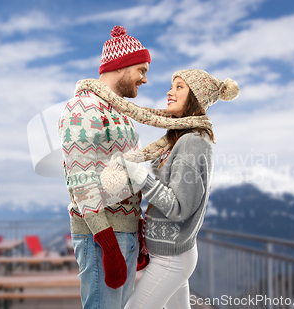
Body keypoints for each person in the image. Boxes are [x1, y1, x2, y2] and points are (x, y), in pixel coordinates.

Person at [58, 26, 214, 309]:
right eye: (141, 69)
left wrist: (137, 227)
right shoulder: (83, 108)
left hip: (126, 233)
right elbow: (81, 180)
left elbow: (122, 177)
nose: (145, 79)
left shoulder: (122, 115)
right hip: (102, 235)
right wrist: (107, 241)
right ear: (122, 66)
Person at [113, 69, 240, 309]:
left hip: (170, 260)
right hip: (169, 255)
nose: (170, 92)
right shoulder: (181, 138)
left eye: (179, 87)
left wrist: (138, 174)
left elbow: (179, 207)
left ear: (196, 97)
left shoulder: (193, 142)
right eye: (172, 86)